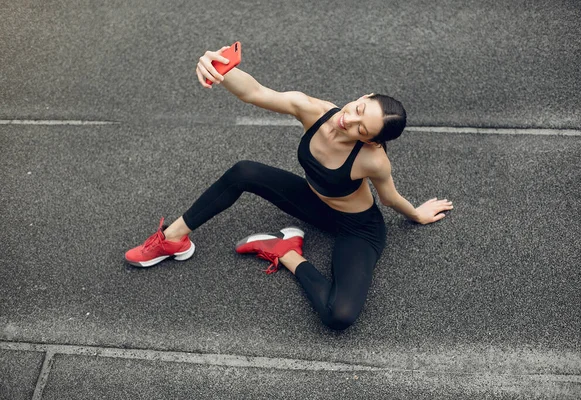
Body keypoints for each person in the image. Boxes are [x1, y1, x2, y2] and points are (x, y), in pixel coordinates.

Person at [125, 45, 453, 331]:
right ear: (363, 97)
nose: (350, 120)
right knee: (244, 172)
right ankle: (172, 239)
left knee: (339, 315)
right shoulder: (314, 110)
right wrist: (224, 70)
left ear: (371, 140)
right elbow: (256, 93)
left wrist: (417, 215)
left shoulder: (374, 160)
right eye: (358, 109)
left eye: (362, 128)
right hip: (315, 204)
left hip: (358, 229)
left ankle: (287, 253)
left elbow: (388, 198)